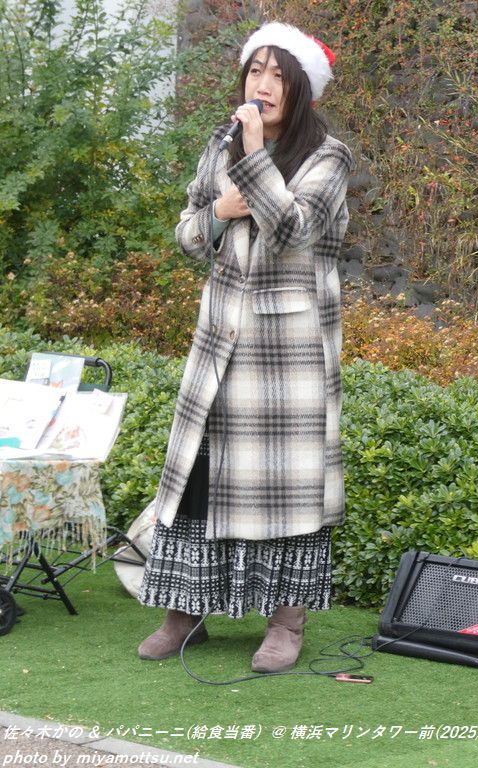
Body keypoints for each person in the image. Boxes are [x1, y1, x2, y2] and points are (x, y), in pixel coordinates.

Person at [137, 21, 352, 674]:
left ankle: (286, 623)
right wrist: (217, 214)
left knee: (288, 489)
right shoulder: (219, 142)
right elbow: (188, 232)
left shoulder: (328, 158)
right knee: (198, 476)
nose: (263, 84)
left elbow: (292, 230)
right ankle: (183, 612)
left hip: (288, 354)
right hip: (218, 341)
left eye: (278, 74)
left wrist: (254, 156)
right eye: (255, 71)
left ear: (301, 88)